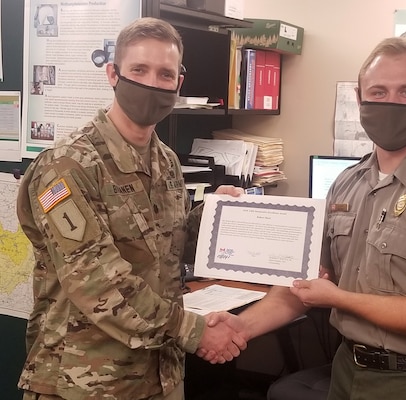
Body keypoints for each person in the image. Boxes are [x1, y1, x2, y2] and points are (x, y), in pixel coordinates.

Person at [200, 37, 406, 400]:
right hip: (347, 372)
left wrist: (340, 298)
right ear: (360, 99)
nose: (391, 102)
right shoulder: (347, 184)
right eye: (378, 91)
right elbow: (306, 287)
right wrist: (242, 326)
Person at [17, 17, 246, 400]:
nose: (152, 84)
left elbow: (167, 251)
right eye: (139, 69)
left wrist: (213, 214)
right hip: (83, 381)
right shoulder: (67, 166)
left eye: (165, 74)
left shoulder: (167, 161)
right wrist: (196, 331)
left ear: (178, 83)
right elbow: (99, 283)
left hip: (160, 374)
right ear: (113, 73)